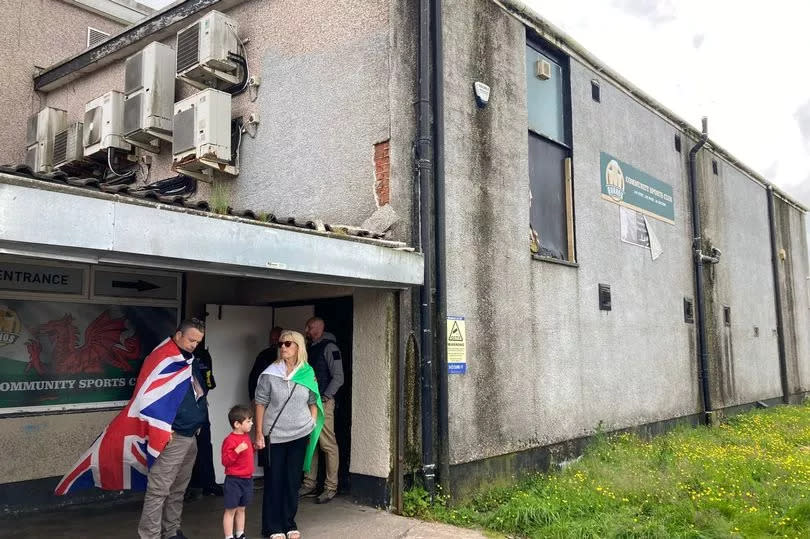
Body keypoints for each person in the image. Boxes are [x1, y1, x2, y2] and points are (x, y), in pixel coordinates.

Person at [138, 318, 209, 539]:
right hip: (172, 435)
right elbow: (146, 397)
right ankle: (150, 535)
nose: (194, 345)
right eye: (191, 340)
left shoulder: (190, 360)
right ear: (178, 335)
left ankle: (171, 531)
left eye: (198, 342)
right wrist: (161, 429)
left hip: (191, 434)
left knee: (179, 489)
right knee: (159, 490)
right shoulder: (162, 359)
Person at [254, 330, 324, 539]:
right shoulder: (270, 373)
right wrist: (258, 432)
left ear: (298, 348)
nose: (283, 347)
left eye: (288, 344)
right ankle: (272, 526)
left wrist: (311, 423)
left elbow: (313, 400)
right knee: (274, 481)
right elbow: (260, 403)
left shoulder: (307, 372)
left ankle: (289, 522)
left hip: (299, 434)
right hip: (274, 435)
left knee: (293, 481)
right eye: (281, 344)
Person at [299, 317, 344, 504]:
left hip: (323, 403)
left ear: (318, 328)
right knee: (311, 443)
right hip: (309, 402)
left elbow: (338, 377)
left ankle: (330, 487)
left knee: (327, 444)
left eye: (309, 327)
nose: (306, 330)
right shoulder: (311, 347)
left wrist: (325, 397)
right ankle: (309, 483)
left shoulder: (330, 348)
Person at [187, 345, 224, 500]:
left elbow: (209, 382)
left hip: (200, 407)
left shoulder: (202, 354)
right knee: (186, 448)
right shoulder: (177, 355)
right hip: (183, 409)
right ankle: (188, 487)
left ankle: (208, 484)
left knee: (204, 445)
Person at [221, 405, 255, 539]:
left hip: (247, 479)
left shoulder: (246, 437)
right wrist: (236, 451)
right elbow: (225, 461)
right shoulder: (229, 440)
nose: (252, 423)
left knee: (242, 508)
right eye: (248, 421)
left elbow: (248, 454)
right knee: (230, 510)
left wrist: (255, 447)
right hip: (234, 481)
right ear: (237, 424)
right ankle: (229, 536)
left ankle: (240, 533)